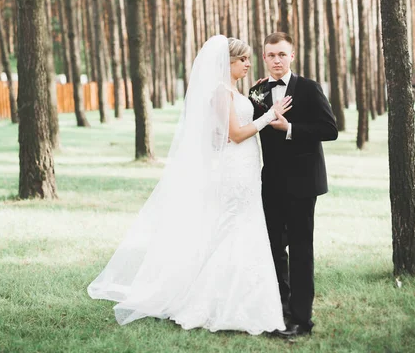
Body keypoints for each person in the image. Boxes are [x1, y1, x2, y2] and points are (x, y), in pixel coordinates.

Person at [88, 35, 292, 335]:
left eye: (249, 59)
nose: (249, 64)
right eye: (243, 60)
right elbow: (235, 135)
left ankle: (248, 297)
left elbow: (220, 133)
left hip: (247, 167)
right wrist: (270, 116)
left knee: (247, 226)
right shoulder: (221, 93)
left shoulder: (235, 92)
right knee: (233, 228)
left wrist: (256, 102)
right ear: (228, 62)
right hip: (235, 170)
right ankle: (215, 300)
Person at [248, 32, 338, 337]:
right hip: (270, 182)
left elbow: (330, 129)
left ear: (292, 56)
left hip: (303, 183)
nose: (276, 60)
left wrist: (290, 129)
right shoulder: (256, 92)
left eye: (281, 55)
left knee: (300, 250)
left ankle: (302, 320)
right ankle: (280, 312)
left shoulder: (309, 88)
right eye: (271, 55)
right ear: (264, 57)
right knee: (273, 249)